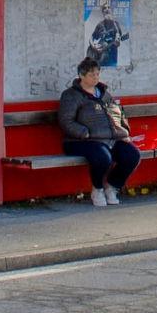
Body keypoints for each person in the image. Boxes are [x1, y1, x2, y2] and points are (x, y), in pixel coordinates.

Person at [56, 55, 140, 206]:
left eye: (97, 74)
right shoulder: (71, 95)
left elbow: (118, 113)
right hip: (81, 141)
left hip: (109, 138)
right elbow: (65, 121)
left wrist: (124, 132)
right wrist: (83, 133)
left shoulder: (104, 94)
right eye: (91, 74)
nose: (95, 78)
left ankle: (112, 186)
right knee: (102, 157)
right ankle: (97, 189)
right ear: (81, 75)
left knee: (132, 155)